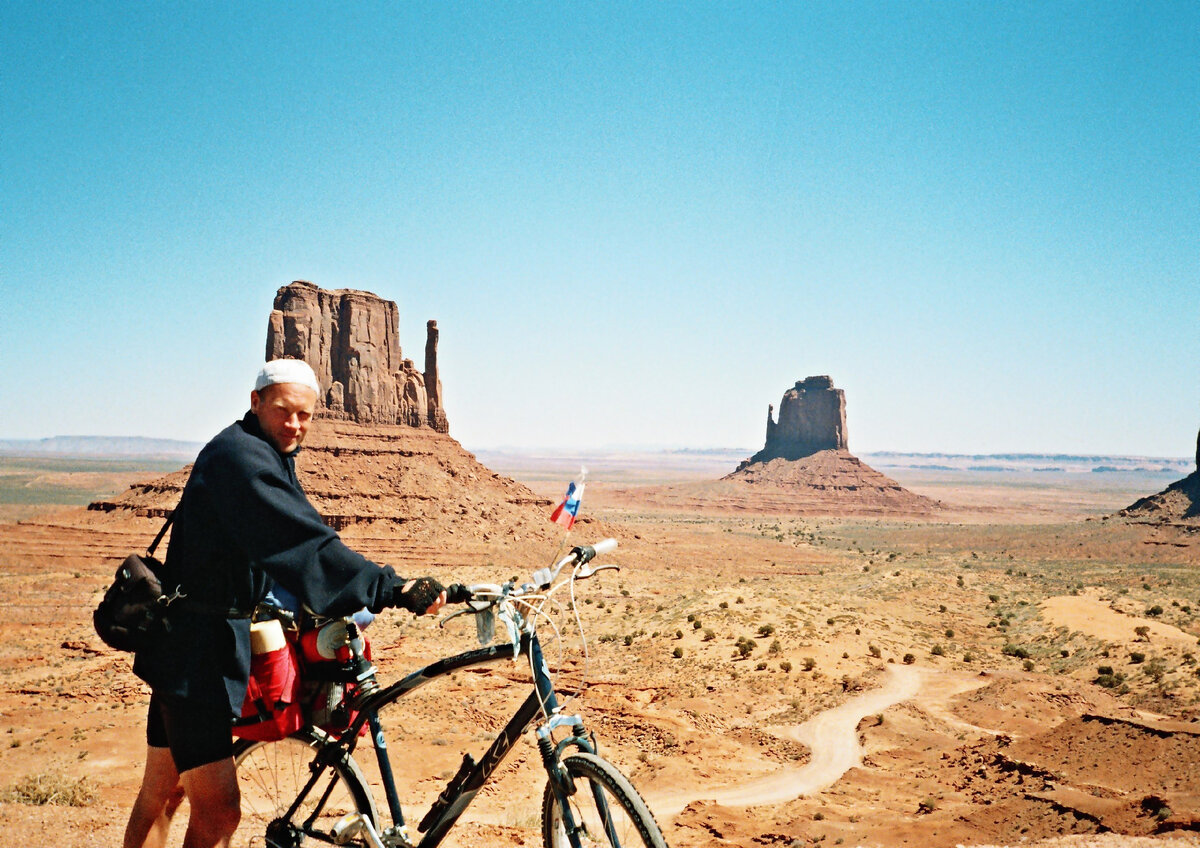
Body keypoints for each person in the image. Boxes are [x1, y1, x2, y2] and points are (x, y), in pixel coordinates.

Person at [123, 359, 453, 848]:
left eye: (305, 415)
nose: (295, 424)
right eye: (283, 411)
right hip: (197, 658)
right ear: (256, 402)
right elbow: (304, 545)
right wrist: (392, 588)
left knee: (164, 794)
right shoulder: (242, 459)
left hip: (188, 646)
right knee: (218, 814)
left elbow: (298, 538)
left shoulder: (259, 451)